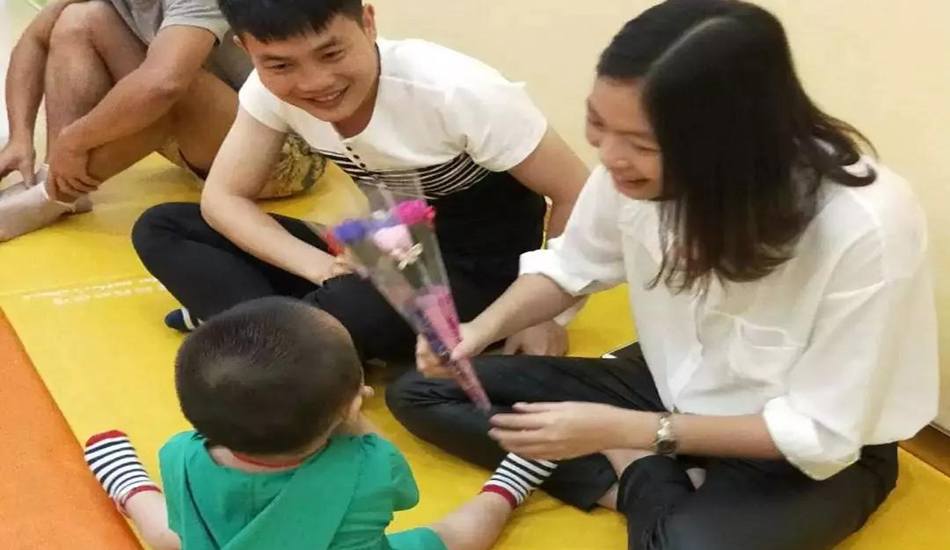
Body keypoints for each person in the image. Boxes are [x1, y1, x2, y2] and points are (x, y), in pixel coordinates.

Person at [386, 1, 939, 549]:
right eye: (598, 125)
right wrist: (477, 332)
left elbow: (823, 432)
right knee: (424, 391)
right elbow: (572, 266)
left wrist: (626, 433)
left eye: (642, 145)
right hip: (667, 381)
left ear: (732, 144)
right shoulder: (628, 168)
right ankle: (653, 482)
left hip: (805, 444)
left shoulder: (862, 226)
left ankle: (635, 469)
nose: (610, 157)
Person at [130, 0, 588, 360]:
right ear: (246, 49)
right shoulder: (268, 91)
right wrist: (322, 268)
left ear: (367, 23)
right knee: (163, 227)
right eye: (280, 64)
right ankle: (275, 333)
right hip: (380, 249)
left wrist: (545, 316)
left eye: (331, 53)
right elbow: (224, 198)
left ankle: (251, 325)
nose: (315, 82)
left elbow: (577, 195)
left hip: (478, 270)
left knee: (347, 313)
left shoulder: (456, 91)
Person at [83, 297, 556, 550]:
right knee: (454, 537)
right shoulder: (369, 469)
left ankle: (127, 484)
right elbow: (406, 494)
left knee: (172, 535)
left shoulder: (178, 452)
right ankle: (508, 485)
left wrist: (344, 410)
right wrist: (354, 420)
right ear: (353, 405)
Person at [0, 0, 325, 242]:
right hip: (202, 139)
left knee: (169, 82)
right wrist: (19, 136)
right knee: (78, 19)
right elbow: (35, 40)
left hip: (277, 154)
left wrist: (73, 142)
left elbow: (164, 85)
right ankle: (59, 180)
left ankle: (53, 195)